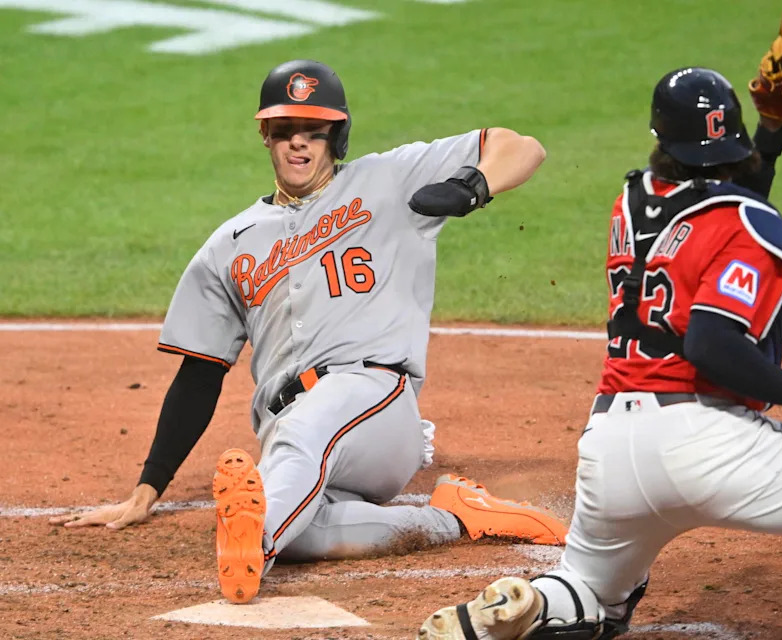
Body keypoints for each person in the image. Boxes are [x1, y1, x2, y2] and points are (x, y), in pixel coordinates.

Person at [417, 68, 782, 640]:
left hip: (611, 450)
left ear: (661, 137)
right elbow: (710, 342)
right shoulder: (751, 221)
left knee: (594, 593)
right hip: (706, 444)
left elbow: (725, 213)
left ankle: (537, 604)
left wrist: (772, 132)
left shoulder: (634, 201)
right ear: (731, 141)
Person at [49, 59, 569, 604]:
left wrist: (474, 186)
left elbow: (521, 145)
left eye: (314, 134)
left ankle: (256, 545)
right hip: (290, 427)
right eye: (284, 133)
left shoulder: (388, 180)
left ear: (336, 138)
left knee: (290, 471)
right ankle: (455, 518)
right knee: (307, 528)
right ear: (265, 136)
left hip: (376, 405)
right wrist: (145, 491)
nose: (298, 145)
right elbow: (199, 375)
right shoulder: (228, 245)